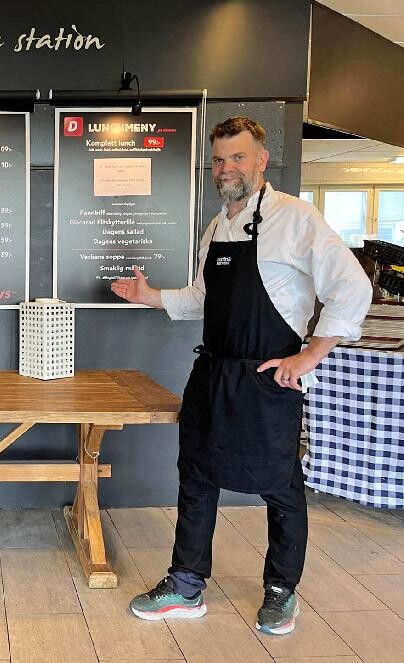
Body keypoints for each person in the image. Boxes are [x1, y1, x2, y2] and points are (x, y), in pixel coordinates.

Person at [111, 117, 371, 635]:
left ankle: (281, 591)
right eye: (220, 159)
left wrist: (308, 357)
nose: (227, 167)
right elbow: (201, 300)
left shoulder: (296, 218)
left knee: (280, 486)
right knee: (197, 477)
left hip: (269, 377)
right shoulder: (217, 226)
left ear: (261, 160)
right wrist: (150, 297)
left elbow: (353, 288)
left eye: (238, 157)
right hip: (213, 372)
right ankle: (186, 585)